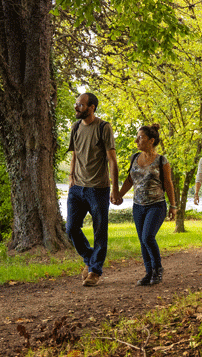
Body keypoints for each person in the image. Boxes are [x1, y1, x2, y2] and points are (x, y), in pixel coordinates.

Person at [67, 92, 121, 287]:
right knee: (71, 228)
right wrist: (71, 177)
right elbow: (74, 155)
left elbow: (112, 160)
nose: (76, 107)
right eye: (76, 104)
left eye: (80, 105)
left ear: (92, 108)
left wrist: (115, 189)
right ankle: (90, 260)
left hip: (98, 189)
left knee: (100, 231)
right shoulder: (75, 128)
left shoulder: (104, 127)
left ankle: (95, 271)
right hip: (77, 188)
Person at [116, 124, 177, 286]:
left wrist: (173, 206)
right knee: (142, 240)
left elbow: (168, 183)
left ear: (151, 140)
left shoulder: (161, 160)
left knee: (147, 237)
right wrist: (118, 195)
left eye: (140, 137)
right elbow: (130, 180)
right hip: (138, 206)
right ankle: (149, 272)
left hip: (156, 205)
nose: (137, 140)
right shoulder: (135, 157)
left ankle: (158, 269)